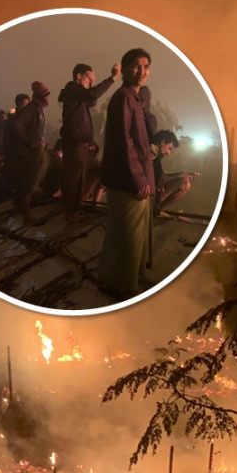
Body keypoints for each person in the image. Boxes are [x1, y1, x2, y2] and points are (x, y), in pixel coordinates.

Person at [96, 48, 155, 300]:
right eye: (136, 66)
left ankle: (119, 279)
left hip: (137, 176)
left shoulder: (136, 98)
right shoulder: (123, 98)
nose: (141, 71)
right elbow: (124, 142)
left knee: (130, 232)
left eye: (145, 66)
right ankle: (124, 285)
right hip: (127, 180)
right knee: (128, 235)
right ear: (125, 68)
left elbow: (140, 143)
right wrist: (139, 179)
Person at [58, 61, 119, 221]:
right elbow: (92, 95)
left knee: (80, 175)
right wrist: (112, 78)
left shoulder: (79, 96)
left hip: (82, 141)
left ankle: (76, 208)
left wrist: (90, 140)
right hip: (74, 141)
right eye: (89, 79)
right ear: (79, 77)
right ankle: (70, 212)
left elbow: (92, 100)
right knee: (73, 176)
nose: (91, 84)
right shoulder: (71, 88)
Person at [9, 83, 49, 225]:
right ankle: (27, 218)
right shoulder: (31, 109)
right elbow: (17, 125)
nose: (47, 98)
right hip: (29, 154)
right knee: (27, 185)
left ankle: (23, 211)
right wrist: (29, 142)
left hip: (33, 152)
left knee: (27, 184)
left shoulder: (37, 109)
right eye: (45, 95)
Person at [152, 129, 197, 214]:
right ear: (163, 142)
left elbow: (159, 176)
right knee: (185, 183)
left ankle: (157, 209)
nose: (168, 153)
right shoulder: (153, 151)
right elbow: (160, 179)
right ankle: (157, 209)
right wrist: (181, 175)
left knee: (185, 181)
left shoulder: (156, 154)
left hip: (154, 189)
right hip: (149, 192)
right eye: (169, 148)